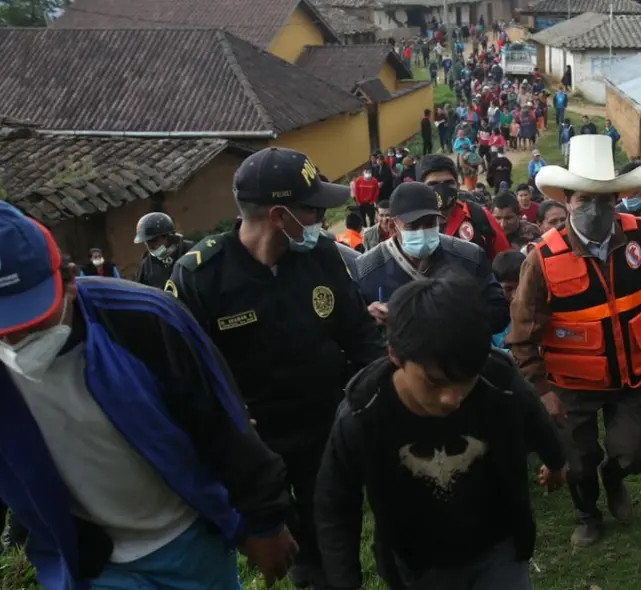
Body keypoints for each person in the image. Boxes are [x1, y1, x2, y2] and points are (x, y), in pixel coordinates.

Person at [0, 201, 298, 588]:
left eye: (30, 321)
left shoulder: (145, 319)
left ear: (68, 281)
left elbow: (224, 423)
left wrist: (265, 522)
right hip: (95, 559)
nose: (14, 341)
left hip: (188, 536)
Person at [167, 147, 384, 588]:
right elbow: (183, 376)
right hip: (255, 444)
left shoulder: (322, 256)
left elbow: (361, 337)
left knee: (334, 534)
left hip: (325, 427)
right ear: (279, 216)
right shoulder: (200, 276)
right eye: (312, 209)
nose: (321, 217)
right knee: (290, 540)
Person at [508, 135, 641, 547]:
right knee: (578, 461)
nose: (596, 209)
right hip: (572, 384)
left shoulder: (640, 235)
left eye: (605, 199)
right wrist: (542, 390)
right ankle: (587, 515)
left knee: (639, 454)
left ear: (618, 199)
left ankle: (615, 475)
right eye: (584, 199)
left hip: (632, 375)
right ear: (567, 200)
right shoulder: (542, 259)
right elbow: (521, 335)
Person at [314, 275, 566, 590]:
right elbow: (335, 504)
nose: (452, 398)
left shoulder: (498, 380)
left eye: (465, 379)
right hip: (417, 564)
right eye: (434, 382)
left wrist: (556, 461)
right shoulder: (363, 413)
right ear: (395, 355)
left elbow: (534, 416)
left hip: (497, 547)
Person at [355, 182, 510, 335]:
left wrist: (460, 311)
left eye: (430, 223)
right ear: (392, 226)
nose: (422, 232)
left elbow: (500, 313)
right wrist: (368, 316)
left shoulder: (469, 257)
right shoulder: (367, 270)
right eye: (413, 226)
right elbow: (355, 332)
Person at [418, 154, 511, 260]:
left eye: (448, 183)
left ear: (458, 186)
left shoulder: (478, 215)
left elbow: (506, 260)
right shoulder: (411, 223)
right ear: (420, 188)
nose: (442, 189)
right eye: (433, 184)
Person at [133, 212, 192, 290]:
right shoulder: (146, 266)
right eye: (146, 242)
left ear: (169, 236)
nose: (150, 246)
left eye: (154, 240)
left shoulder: (191, 252)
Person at [491, 250, 525, 353]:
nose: (515, 295)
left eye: (520, 288)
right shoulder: (489, 315)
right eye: (508, 289)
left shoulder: (537, 310)